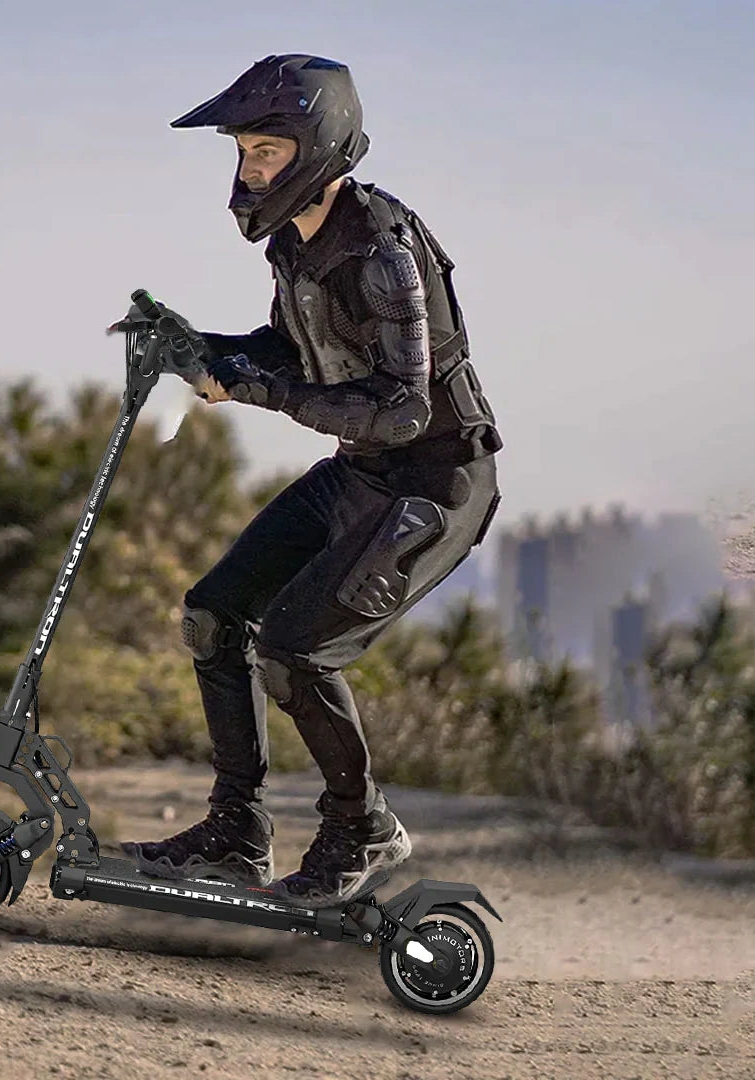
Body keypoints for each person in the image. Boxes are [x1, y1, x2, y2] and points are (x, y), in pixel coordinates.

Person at [120, 54, 503, 909]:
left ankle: (360, 825)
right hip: (363, 475)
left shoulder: (382, 253)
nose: (250, 170)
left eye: (266, 152)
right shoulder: (297, 244)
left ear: (317, 148)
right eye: (246, 152)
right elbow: (291, 353)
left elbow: (403, 411)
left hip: (433, 485)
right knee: (215, 615)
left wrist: (260, 392)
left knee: (294, 650)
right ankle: (233, 832)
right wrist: (195, 347)